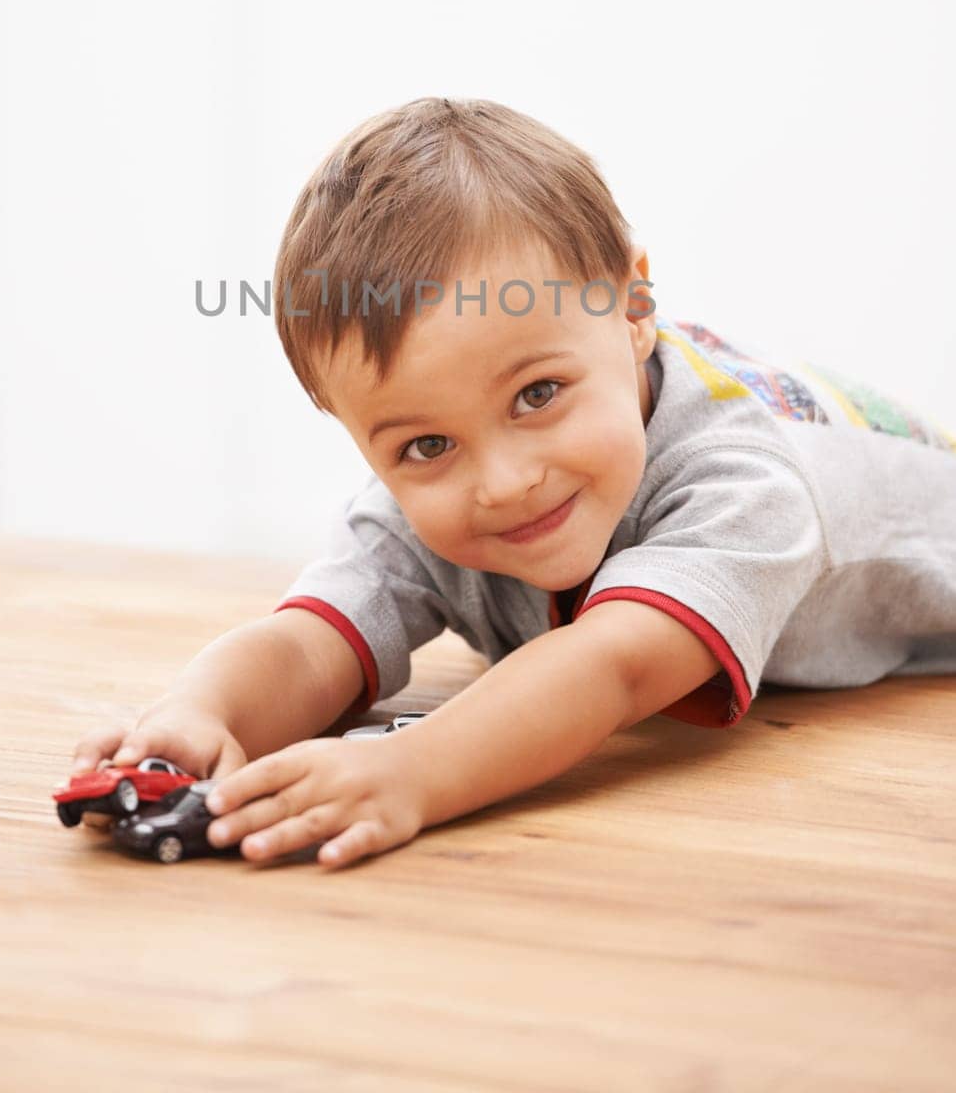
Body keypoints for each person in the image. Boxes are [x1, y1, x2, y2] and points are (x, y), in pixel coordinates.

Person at [70, 97, 956, 869]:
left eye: (538, 395)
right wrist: (197, 714)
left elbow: (612, 667)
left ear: (635, 312)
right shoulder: (432, 500)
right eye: (424, 445)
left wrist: (412, 770)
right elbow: (309, 641)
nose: (502, 481)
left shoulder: (746, 484)